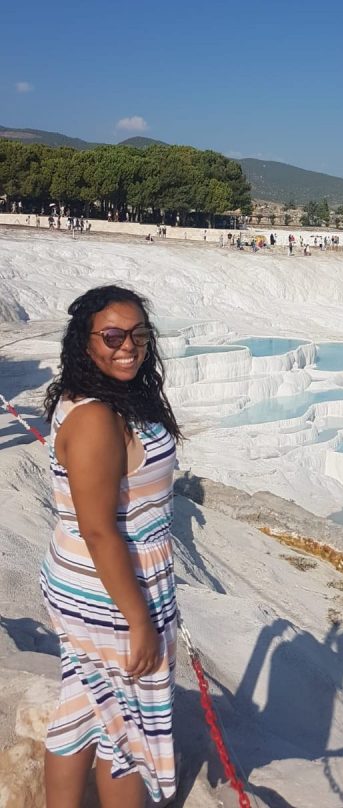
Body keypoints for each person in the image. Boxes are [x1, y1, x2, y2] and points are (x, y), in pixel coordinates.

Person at [40, 285, 182, 807]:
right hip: (112, 594)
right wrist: (140, 620)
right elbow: (100, 529)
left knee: (82, 708)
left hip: (81, 581)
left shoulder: (94, 397)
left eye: (139, 334)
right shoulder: (97, 417)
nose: (130, 346)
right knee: (128, 733)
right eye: (114, 335)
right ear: (85, 343)